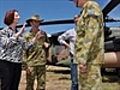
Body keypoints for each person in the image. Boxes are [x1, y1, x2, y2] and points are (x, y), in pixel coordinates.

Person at [0, 9, 43, 90]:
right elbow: (6, 44)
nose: (19, 17)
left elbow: (25, 46)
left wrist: (36, 38)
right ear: (11, 18)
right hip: (6, 63)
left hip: (17, 63)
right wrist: (19, 33)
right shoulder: (3, 31)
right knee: (6, 86)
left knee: (14, 86)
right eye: (16, 16)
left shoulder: (19, 34)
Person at [70, 0, 104, 90]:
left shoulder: (91, 7)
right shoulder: (85, 10)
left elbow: (90, 35)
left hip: (90, 60)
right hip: (87, 60)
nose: (73, 2)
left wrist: (83, 59)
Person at [23, 14, 50, 90]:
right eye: (35, 22)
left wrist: (47, 44)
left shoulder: (43, 34)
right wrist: (25, 65)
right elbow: (24, 51)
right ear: (31, 23)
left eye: (38, 22)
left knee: (41, 84)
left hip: (41, 63)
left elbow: (48, 43)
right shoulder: (27, 36)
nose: (37, 23)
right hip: (31, 63)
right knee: (29, 85)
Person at [58, 14, 80, 90]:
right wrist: (67, 45)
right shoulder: (71, 32)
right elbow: (60, 38)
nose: (77, 20)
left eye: (78, 19)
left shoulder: (87, 32)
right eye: (75, 19)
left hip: (85, 58)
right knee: (75, 81)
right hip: (74, 57)